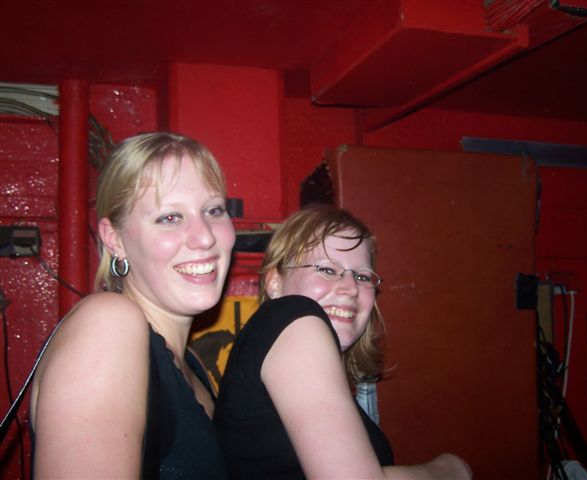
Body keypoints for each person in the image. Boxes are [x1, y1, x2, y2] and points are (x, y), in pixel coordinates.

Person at [29, 132, 235, 478]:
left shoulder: (192, 363)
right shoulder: (106, 325)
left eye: (213, 210)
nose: (205, 237)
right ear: (115, 239)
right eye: (170, 217)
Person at [214, 204, 471, 479]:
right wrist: (450, 469)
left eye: (362, 276)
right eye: (327, 269)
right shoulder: (289, 313)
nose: (351, 288)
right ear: (275, 283)